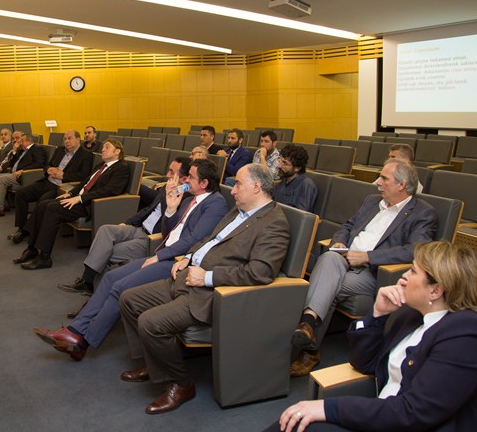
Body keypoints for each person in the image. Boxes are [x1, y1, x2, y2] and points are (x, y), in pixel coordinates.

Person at [254, 241, 477, 432]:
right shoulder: (414, 315)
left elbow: (412, 412)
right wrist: (377, 314)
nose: (403, 276)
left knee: (300, 430)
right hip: (388, 422)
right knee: (295, 427)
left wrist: (328, 408)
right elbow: (365, 363)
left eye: (413, 271)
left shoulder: (468, 337)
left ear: (435, 290)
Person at [118, 163, 290, 414]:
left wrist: (207, 277)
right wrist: (188, 257)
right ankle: (154, 362)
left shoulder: (274, 223)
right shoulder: (239, 210)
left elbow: (260, 272)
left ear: (256, 187)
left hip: (211, 292)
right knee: (129, 299)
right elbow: (210, 240)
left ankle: (181, 384)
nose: (232, 190)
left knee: (150, 322)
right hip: (188, 276)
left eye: (238, 184)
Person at [34, 159, 229, 360]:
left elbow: (194, 240)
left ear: (204, 183)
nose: (185, 180)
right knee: (110, 278)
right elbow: (168, 232)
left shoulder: (216, 204)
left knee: (120, 287)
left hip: (176, 262)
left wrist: (159, 256)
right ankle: (75, 331)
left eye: (191, 178)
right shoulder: (188, 201)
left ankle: (82, 340)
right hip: (164, 254)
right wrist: (171, 209)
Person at [289, 158, 438, 377]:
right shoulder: (372, 201)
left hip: (373, 272)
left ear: (402, 185)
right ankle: (308, 325)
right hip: (343, 258)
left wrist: (368, 257)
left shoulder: (423, 213)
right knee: (329, 258)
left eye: (384, 178)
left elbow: (416, 249)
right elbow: (348, 226)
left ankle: (309, 343)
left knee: (327, 286)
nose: (378, 183)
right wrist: (338, 242)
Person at [57, 156, 191, 295]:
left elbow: (169, 226)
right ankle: (88, 283)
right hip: (139, 228)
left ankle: (92, 289)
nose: (167, 175)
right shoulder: (167, 187)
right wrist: (128, 222)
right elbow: (148, 209)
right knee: (105, 230)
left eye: (171, 172)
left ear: (184, 179)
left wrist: (170, 196)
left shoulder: (187, 199)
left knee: (108, 251)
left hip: (152, 238)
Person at [14, 139, 130, 270]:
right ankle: (32, 248)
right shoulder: (101, 165)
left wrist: (80, 198)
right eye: (103, 147)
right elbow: (84, 183)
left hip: (91, 204)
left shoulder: (121, 168)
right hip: (78, 198)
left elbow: (110, 191)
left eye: (107, 147)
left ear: (117, 151)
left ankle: (44, 258)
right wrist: (70, 193)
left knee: (52, 209)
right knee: (42, 205)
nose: (102, 149)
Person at [7, 130, 93, 240]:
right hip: (47, 181)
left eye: (69, 138)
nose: (66, 141)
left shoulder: (86, 155)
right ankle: (21, 227)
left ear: (78, 139)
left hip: (61, 187)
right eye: (65, 139)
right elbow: (47, 165)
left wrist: (64, 176)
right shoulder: (60, 150)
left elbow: (84, 176)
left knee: (42, 201)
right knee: (21, 193)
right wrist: (48, 169)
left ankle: (26, 231)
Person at [0, 133, 47, 217]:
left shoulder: (37, 149)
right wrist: (15, 151)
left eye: (22, 141)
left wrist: (23, 170)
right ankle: (3, 205)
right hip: (14, 173)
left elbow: (39, 164)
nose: (19, 143)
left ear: (28, 141)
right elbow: (12, 163)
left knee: (0, 180)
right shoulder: (22, 150)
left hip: (24, 176)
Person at [273, 143, 318, 212]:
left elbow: (299, 214)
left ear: (297, 168)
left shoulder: (306, 185)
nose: (279, 166)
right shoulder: (283, 181)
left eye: (284, 163)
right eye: (280, 161)